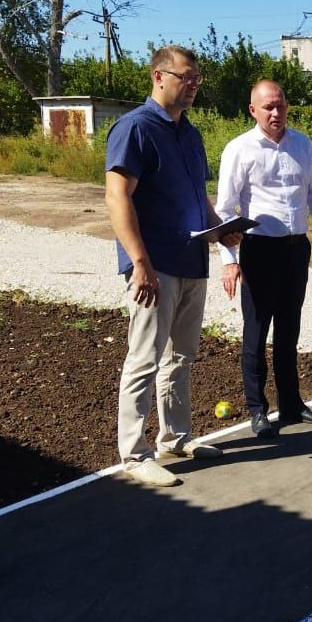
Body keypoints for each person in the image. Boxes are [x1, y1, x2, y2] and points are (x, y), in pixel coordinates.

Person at [105, 45, 238, 486]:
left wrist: (220, 228)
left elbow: (199, 198)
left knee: (181, 355)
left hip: (191, 260)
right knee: (144, 357)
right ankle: (134, 453)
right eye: (186, 77)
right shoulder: (135, 129)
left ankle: (175, 437)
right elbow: (117, 196)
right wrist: (139, 262)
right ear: (159, 77)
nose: (194, 84)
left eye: (197, 78)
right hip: (155, 264)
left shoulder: (191, 134)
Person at [216, 79, 312, 438]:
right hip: (259, 250)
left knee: (289, 331)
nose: (276, 112)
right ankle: (258, 410)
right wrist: (229, 258)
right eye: (268, 107)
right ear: (253, 110)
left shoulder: (302, 144)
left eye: (281, 105)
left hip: (295, 249)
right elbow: (224, 210)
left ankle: (291, 404)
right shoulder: (239, 149)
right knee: (255, 333)